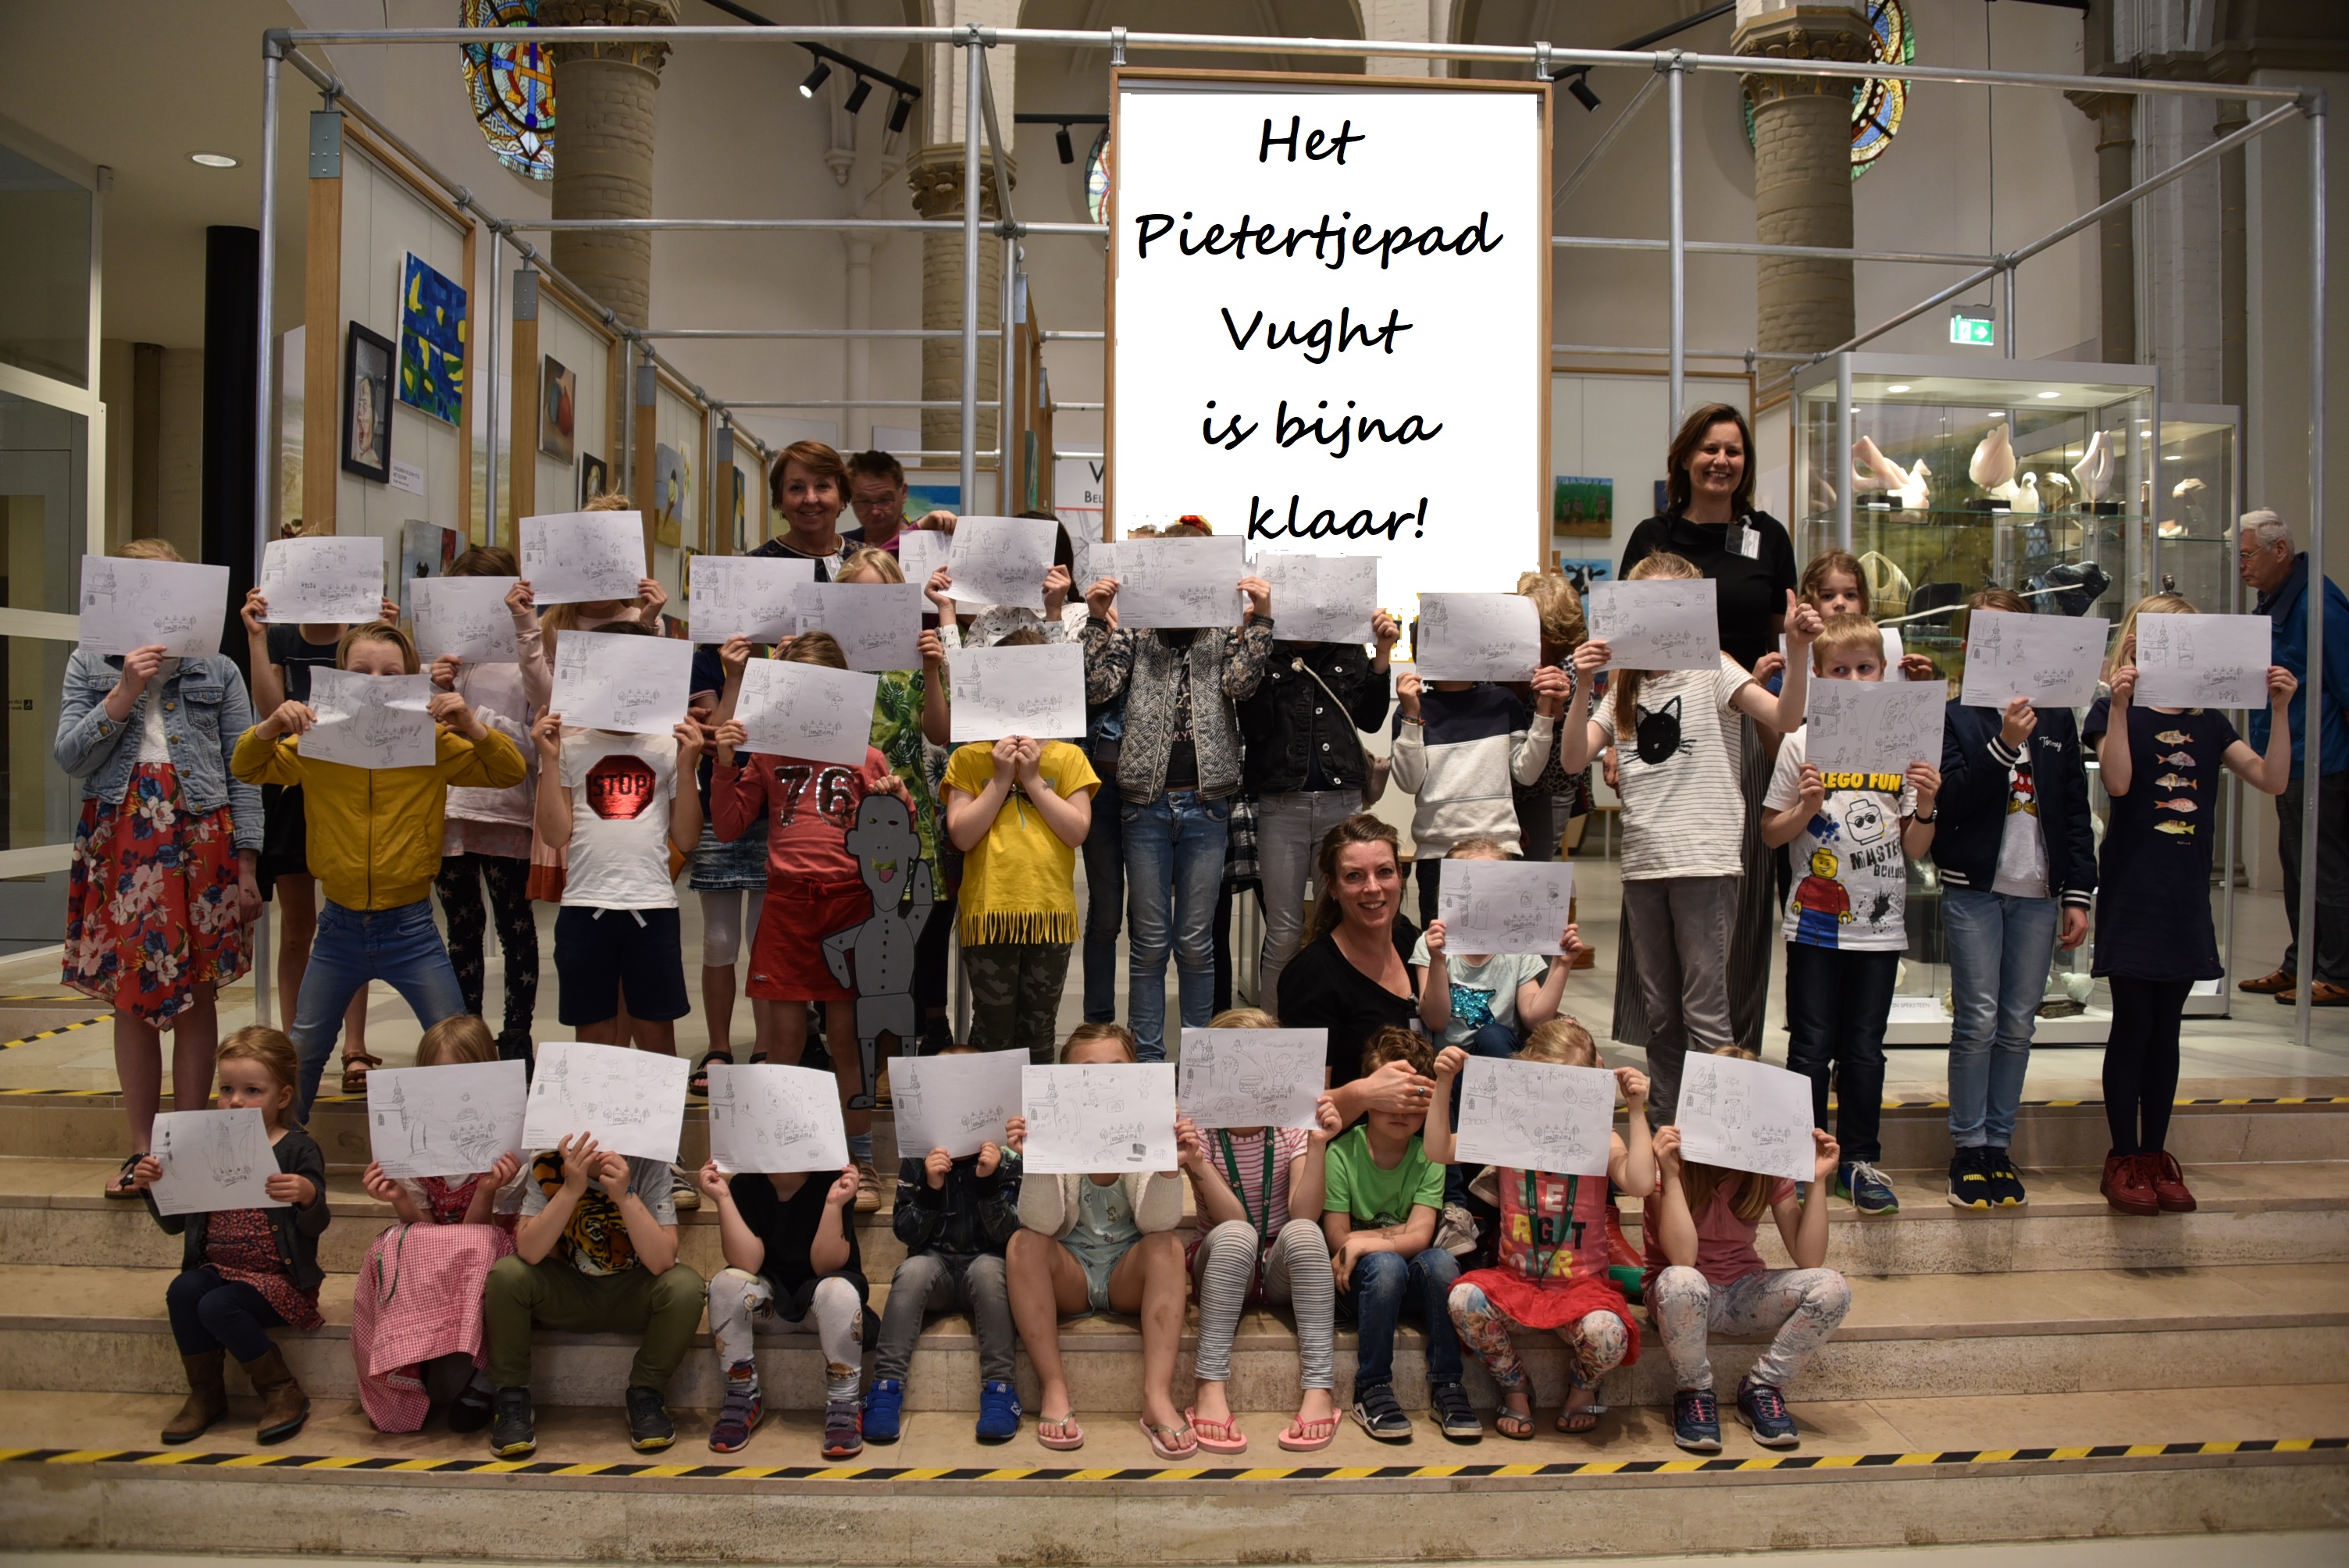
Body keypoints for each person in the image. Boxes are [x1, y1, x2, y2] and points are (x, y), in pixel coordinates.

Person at [1558, 554, 1818, 1121]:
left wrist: (1797, 651)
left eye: (1673, 603)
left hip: (1705, 858)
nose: (1659, 616)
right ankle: (1664, 1130)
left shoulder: (1714, 668)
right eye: (1646, 603)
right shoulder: (1624, 685)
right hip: (1645, 864)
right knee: (1661, 1014)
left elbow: (1786, 717)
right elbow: (1574, 757)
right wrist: (1582, 687)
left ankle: (1713, 1140)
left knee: (1706, 1013)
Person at [232, 622, 529, 1121]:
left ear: (411, 679)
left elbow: (509, 771)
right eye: (360, 671)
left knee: (456, 1043)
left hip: (411, 928)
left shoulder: (433, 741)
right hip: (338, 927)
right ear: (338, 677)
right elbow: (247, 767)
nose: (375, 682)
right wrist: (270, 726)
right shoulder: (316, 741)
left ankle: (474, 1149)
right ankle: (287, 1145)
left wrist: (472, 725)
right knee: (305, 1046)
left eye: (391, 674)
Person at [59, 540, 263, 1199]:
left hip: (203, 835)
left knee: (198, 991)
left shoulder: (218, 669)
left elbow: (245, 768)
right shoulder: (90, 661)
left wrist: (248, 863)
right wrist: (124, 689)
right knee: (132, 996)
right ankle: (144, 1151)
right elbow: (70, 757)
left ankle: (188, 1148)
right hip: (122, 836)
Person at [2087, 594, 2297, 1215]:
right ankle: (2124, 1155)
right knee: (2134, 1022)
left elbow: (2272, 779)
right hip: (2133, 887)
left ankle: (2156, 1153)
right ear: (2137, 641)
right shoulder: (2112, 708)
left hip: (2183, 892)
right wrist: (2120, 705)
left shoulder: (2209, 721)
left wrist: (2280, 711)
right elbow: (2118, 782)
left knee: (2167, 1028)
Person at [1618, 404, 1802, 1057]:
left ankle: (1732, 1051)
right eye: (1709, 449)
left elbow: (1786, 630)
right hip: (1662, 722)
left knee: (1737, 897)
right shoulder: (1652, 535)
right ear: (1685, 459)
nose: (1722, 461)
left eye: (1734, 450)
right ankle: (1667, 1059)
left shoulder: (1768, 536)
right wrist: (1621, 734)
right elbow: (1625, 640)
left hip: (1741, 718)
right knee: (1657, 882)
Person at [711, 630, 911, 1210]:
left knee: (848, 1040)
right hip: (788, 907)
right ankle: (780, 1152)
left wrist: (896, 800)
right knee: (784, 1041)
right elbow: (728, 825)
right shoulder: (767, 754)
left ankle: (861, 1159)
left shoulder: (866, 757)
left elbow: (895, 846)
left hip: (848, 906)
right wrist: (723, 763)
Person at [1759, 614, 1940, 1216]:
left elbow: (1915, 848)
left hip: (1879, 931)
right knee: (1810, 1046)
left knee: (1864, 1049)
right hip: (1814, 927)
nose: (1856, 679)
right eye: (1840, 670)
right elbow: (1771, 833)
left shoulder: (1905, 746)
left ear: (1884, 673)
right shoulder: (1800, 742)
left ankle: (1860, 1160)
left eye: (1866, 668)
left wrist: (1927, 803)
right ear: (1819, 677)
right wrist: (1805, 807)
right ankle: (1803, 1158)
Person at [1080, 529, 1274, 1060]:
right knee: (1148, 945)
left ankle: (1198, 1062)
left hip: (1207, 805)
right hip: (1143, 805)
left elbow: (1240, 686)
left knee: (1195, 943)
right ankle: (1148, 1061)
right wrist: (1097, 620)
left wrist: (1260, 622)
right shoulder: (1136, 627)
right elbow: (1098, 688)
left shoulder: (1223, 631)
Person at [1936, 587, 2097, 1210]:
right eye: (1986, 633)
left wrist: (2078, 892)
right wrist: (2003, 743)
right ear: (1969, 644)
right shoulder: (1956, 714)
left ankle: (1998, 1146)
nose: (2001, 645)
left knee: (2018, 1024)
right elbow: (1951, 801)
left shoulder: (2056, 718)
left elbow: (2075, 808)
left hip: (2038, 893)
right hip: (1974, 889)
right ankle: (1967, 1147)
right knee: (1976, 1020)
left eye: (2012, 634)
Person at [1426, 1018, 1652, 1439]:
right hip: (1516, 1281)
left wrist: (1636, 1111)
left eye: (1569, 1089)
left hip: (1582, 1288)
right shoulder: (1510, 1130)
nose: (1555, 1102)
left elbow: (1640, 1183)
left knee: (1609, 1335)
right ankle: (1514, 1385)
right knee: (1463, 1299)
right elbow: (1438, 1149)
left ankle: (1584, 1387)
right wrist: (1444, 1085)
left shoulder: (1601, 1138)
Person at [130, 1027, 328, 1446]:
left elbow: (316, 1225)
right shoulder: (202, 1145)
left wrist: (307, 1196)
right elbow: (175, 1225)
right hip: (218, 1269)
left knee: (217, 1305)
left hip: (278, 1283)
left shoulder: (297, 1149)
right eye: (226, 1089)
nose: (235, 1101)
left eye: (252, 1090)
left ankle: (281, 1389)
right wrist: (153, 1188)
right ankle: (206, 1393)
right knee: (184, 1290)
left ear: (283, 1097)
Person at [1645, 1053, 1852, 1453]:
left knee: (1833, 1287)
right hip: (1682, 1295)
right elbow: (1683, 1258)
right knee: (1683, 1280)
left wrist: (1817, 1181)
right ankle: (1694, 1392)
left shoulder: (1766, 1166)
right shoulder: (1672, 1163)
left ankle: (1762, 1388)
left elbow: (1809, 1258)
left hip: (1744, 1291)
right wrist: (1669, 1174)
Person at [238, 569, 395, 1091]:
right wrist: (257, 639)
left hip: (352, 783)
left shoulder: (361, 637)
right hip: (295, 786)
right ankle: (293, 1049)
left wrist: (392, 634)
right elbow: (269, 712)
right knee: (297, 929)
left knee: (352, 919)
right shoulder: (284, 635)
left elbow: (388, 702)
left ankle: (355, 1046)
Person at [1003, 1022, 1190, 1455]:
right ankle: (1054, 1389)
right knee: (1022, 1244)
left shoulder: (1150, 1122)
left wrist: (1168, 1168)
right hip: (1069, 1271)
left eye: (1117, 1070)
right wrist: (1039, 1161)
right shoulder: (1055, 1123)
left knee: (1168, 1247)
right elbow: (1040, 1223)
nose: (1103, 1082)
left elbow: (1159, 1224)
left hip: (1128, 1271)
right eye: (1087, 1071)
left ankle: (1157, 1397)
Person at [532, 621, 705, 1056]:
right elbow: (555, 834)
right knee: (593, 1036)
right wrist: (548, 761)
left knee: (655, 1035)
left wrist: (687, 766)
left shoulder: (668, 747)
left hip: (652, 905)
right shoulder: (571, 747)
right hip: (585, 904)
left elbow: (686, 838)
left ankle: (656, 1103)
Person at [1177, 1007, 1343, 1456]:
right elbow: (1232, 1220)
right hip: (1223, 1258)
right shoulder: (1202, 1131)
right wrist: (1198, 1163)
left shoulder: (1289, 1124)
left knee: (1306, 1232)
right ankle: (1209, 1385)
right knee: (1238, 1235)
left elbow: (1304, 1213)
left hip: (1277, 1265)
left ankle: (1319, 1387)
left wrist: (1317, 1145)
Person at [483, 1129, 707, 1458]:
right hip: (568, 1291)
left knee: (686, 1287)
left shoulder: (650, 1164)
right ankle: (512, 1396)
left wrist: (626, 1195)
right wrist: (570, 1190)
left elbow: (662, 1261)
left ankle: (646, 1393)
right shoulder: (545, 1163)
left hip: (633, 1293)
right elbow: (528, 1251)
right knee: (507, 1275)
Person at [351, 1014, 521, 1433]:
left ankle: (486, 1373)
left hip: (488, 1249)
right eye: (436, 1079)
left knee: (480, 1246)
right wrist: (399, 1198)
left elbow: (486, 1232)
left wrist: (486, 1189)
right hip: (438, 1247)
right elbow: (421, 1228)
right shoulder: (414, 1143)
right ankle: (404, 1359)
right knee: (392, 1242)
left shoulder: (509, 1146)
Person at [942, 649, 1100, 1062]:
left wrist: (1031, 778)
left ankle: (1037, 1105)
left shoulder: (1069, 757)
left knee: (1039, 1030)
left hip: (1048, 913)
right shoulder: (967, 758)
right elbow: (962, 835)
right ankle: (988, 1103)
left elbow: (1076, 831)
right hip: (989, 912)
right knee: (991, 1029)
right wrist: (1000, 779)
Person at [864, 1044, 1026, 1446]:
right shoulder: (920, 1156)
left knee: (991, 1273)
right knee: (911, 1272)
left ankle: (1000, 1389)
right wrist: (930, 1190)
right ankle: (885, 1386)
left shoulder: (1008, 1157)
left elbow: (1011, 1235)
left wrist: (989, 1184)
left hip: (986, 1261)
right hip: (933, 1262)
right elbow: (905, 1232)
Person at [1241, 603, 1400, 1001]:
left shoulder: (1347, 647)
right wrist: (1252, 648)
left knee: (1340, 926)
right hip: (1281, 804)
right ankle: (1276, 1029)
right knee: (1284, 931)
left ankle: (1335, 1025)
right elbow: (1255, 726)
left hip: (1341, 803)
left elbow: (1370, 719)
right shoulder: (1268, 648)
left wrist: (1382, 654)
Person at [427, 547, 549, 1065]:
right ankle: (466, 1037)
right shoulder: (439, 659)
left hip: (506, 810)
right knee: (461, 928)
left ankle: (517, 1035)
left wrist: (477, 721)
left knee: (515, 926)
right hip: (448, 812)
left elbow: (537, 743)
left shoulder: (527, 658)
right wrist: (432, 685)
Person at [1324, 1025, 1475, 1443]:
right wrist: (1380, 1240)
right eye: (1390, 1100)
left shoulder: (1429, 1156)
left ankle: (1448, 1383)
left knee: (1441, 1262)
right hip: (1359, 1283)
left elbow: (1422, 1236)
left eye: (1414, 1103)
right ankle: (1372, 1386)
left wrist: (1363, 1240)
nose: (1400, 1112)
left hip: (1409, 1276)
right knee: (1387, 1264)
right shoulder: (1341, 1153)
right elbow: (1337, 1237)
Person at [832, 547, 954, 1057]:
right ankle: (854, 1040)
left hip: (905, 809)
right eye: (858, 598)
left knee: (910, 928)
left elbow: (941, 733)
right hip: (838, 813)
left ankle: (915, 1034)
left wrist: (932, 669)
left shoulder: (914, 656)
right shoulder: (827, 658)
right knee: (848, 924)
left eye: (881, 597)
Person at [2234, 508, 2349, 1005]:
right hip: (2289, 756)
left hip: (2321, 757)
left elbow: (2345, 682)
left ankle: (2338, 971)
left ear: (2280, 550)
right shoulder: (2275, 601)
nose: (2242, 565)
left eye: (2248, 555)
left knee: (2325, 868)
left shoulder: (2319, 604)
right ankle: (2303, 962)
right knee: (2298, 866)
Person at [1272, 815, 1446, 1128]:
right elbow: (1301, 1108)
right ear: (1332, 886)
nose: (1372, 888)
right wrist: (1365, 1093)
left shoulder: (1412, 941)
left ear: (1401, 875)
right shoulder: (1312, 976)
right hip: (1354, 1149)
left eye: (1384, 872)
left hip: (1426, 1140)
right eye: (1354, 876)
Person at [695, 1157, 872, 1458]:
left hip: (822, 1305)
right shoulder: (746, 1183)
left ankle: (844, 1401)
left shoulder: (834, 1179)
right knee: (724, 1284)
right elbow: (747, 1263)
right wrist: (723, 1198)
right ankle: (742, 1394)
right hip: (770, 1304)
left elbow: (826, 1265)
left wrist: (834, 1204)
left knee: (839, 1290)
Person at [1390, 633, 1540, 926]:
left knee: (1504, 942)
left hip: (1499, 847)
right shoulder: (1411, 707)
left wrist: (1544, 716)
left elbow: (1527, 772)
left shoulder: (1503, 700)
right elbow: (1409, 782)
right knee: (1441, 945)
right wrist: (1411, 715)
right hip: (1437, 850)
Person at [1414, 836, 1583, 1058]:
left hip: (1502, 1057)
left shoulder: (1517, 948)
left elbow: (1535, 1019)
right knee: (1487, 1037)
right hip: (1452, 1066)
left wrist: (1562, 965)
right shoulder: (1430, 944)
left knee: (1492, 1035)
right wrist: (1438, 960)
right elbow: (1436, 1022)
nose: (1483, 895)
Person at [1511, 572, 1598, 867]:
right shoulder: (1500, 660)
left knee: (1533, 871)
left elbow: (1575, 740)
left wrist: (1555, 712)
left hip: (1549, 788)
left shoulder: (1571, 666)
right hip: (1499, 785)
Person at [748, 440, 858, 580]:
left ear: (842, 497)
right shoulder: (753, 568)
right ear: (780, 501)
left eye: (822, 486)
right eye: (796, 488)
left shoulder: (868, 562)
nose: (810, 499)